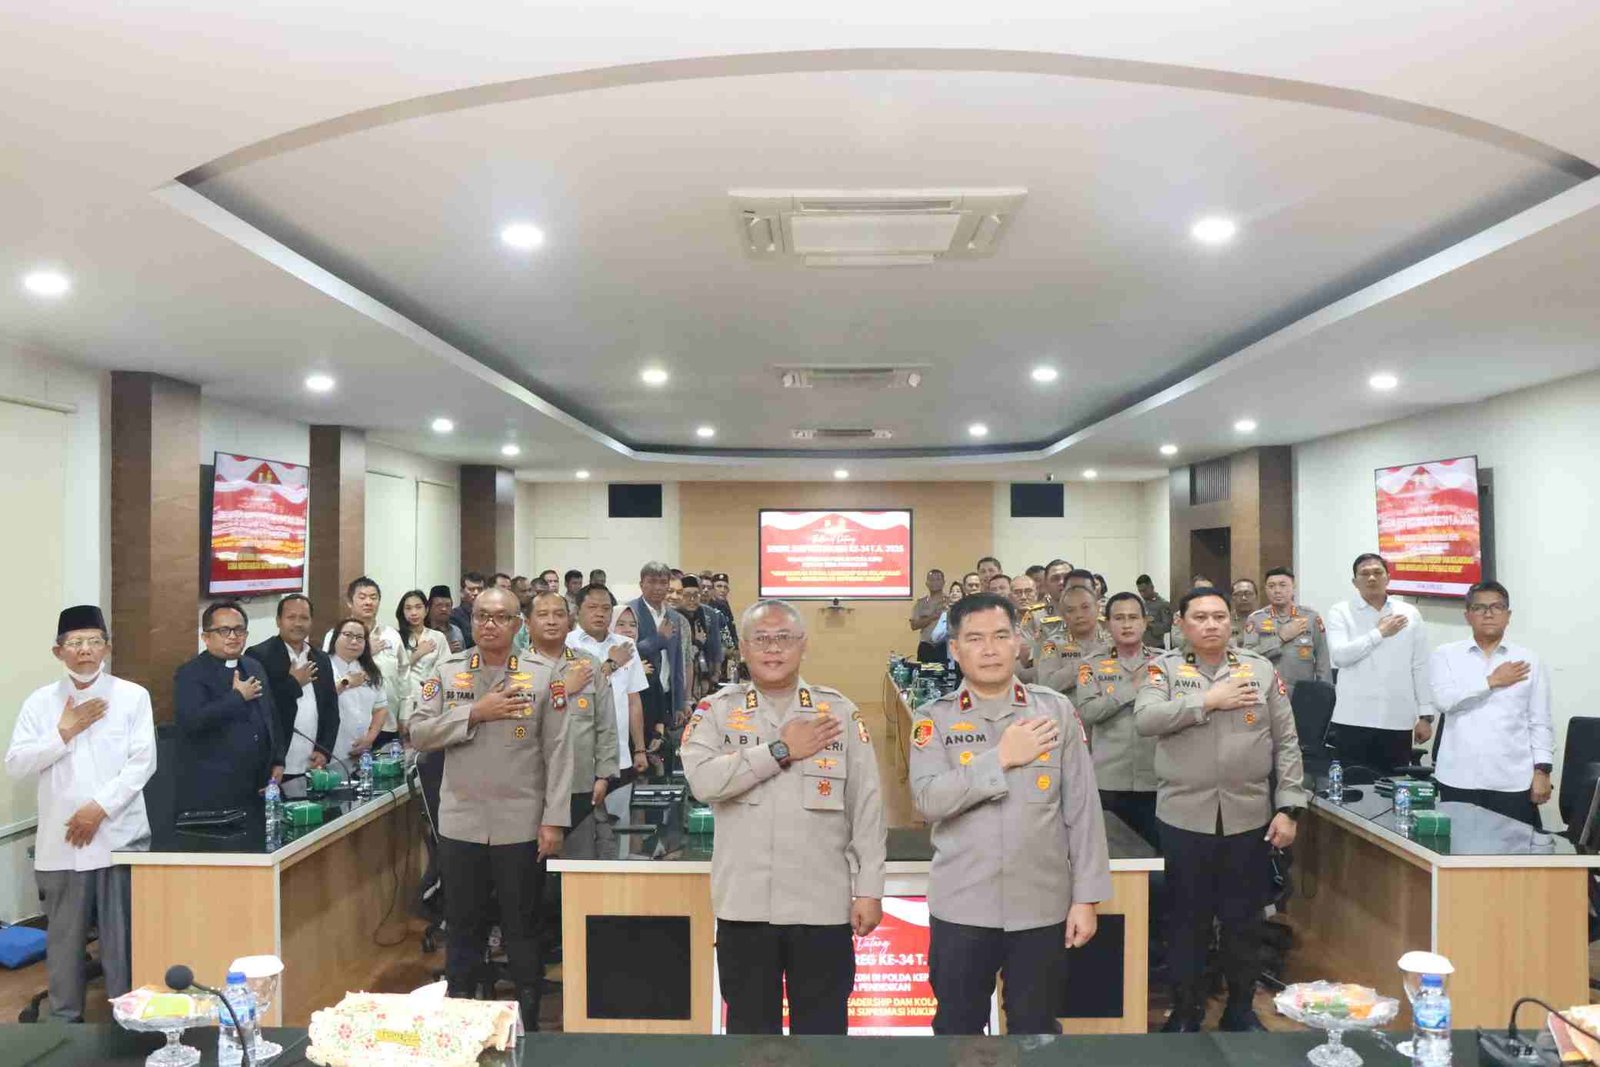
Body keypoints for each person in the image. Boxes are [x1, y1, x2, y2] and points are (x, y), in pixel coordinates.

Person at [910, 592, 1111, 1035]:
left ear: (1018, 642)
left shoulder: (1055, 711)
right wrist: (999, 758)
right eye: (975, 638)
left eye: (1001, 636)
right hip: (962, 906)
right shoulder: (933, 718)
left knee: (1036, 1029)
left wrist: (1086, 899)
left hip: (1040, 907)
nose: (990, 649)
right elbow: (928, 800)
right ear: (954, 649)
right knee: (957, 1030)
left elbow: (1082, 810)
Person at [682, 599, 885, 1034]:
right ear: (743, 648)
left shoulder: (838, 713)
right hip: (745, 908)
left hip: (822, 907)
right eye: (761, 639)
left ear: (803, 645)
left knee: (823, 1037)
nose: (773, 649)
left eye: (784, 638)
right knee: (751, 1039)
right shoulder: (716, 711)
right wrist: (780, 750)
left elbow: (866, 806)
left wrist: (869, 889)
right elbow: (703, 782)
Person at [1135, 587, 1306, 1032]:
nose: (1211, 624)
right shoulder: (1163, 669)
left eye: (1219, 616)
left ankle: (1240, 1009)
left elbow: (1287, 741)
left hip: (1249, 817)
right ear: (1182, 624)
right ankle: (1186, 1011)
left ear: (1232, 621)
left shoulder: (1260, 669)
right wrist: (1208, 701)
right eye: (1200, 617)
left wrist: (1289, 806)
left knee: (1243, 922)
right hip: (1183, 817)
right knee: (1186, 921)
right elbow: (1146, 719)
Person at [409, 587, 572, 1031]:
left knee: (522, 927)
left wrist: (554, 820)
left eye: (500, 617)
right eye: (481, 616)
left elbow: (560, 753)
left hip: (521, 823)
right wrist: (475, 713)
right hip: (461, 822)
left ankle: (529, 1021)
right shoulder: (447, 671)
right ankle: (461, 1018)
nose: (489, 625)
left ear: (518, 625)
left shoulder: (544, 676)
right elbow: (419, 732)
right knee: (463, 926)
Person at [5, 605, 155, 1021]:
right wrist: (64, 732)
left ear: (107, 647)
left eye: (93, 641)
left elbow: (143, 763)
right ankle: (65, 1025)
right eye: (74, 643)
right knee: (64, 943)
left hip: (117, 836)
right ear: (58, 651)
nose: (84, 650)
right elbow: (16, 764)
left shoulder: (132, 696)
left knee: (122, 942)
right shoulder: (40, 703)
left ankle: (128, 1023)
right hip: (62, 842)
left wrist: (98, 810)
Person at [1428, 581, 1554, 829]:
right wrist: (1491, 681)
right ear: (1467, 615)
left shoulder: (1528, 660)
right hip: (1458, 777)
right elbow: (1444, 701)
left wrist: (1542, 770)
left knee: (1513, 850)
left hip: (1512, 780)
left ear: (1508, 615)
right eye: (1479, 608)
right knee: (1461, 848)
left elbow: (1540, 721)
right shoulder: (1445, 655)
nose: (1488, 613)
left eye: (1497, 607)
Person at [1325, 553, 1434, 775]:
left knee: (1393, 786)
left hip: (1397, 718)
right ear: (1355, 582)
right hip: (1353, 718)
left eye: (1377, 572)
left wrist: (1425, 716)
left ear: (1388, 578)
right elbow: (1340, 656)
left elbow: (1420, 665)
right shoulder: (1341, 612)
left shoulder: (1409, 613)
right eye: (1364, 574)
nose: (1372, 578)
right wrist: (1379, 633)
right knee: (1354, 786)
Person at [525, 592, 616, 852]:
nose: (552, 621)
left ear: (570, 622)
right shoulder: (516, 668)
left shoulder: (589, 664)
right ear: (527, 623)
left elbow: (606, 724)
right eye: (543, 615)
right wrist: (561, 689)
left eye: (559, 614)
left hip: (580, 783)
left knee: (578, 863)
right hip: (529, 788)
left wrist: (604, 776)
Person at [174, 601, 281, 813]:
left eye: (239, 630)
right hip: (216, 790)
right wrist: (237, 697)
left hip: (259, 784)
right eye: (224, 630)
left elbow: (271, 717)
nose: (233, 636)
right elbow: (192, 722)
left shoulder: (254, 666)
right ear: (206, 637)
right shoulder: (190, 674)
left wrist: (278, 760)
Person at [1074, 592, 1162, 849]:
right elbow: (1088, 712)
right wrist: (1131, 688)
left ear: (1145, 622)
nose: (1126, 624)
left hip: (1156, 778)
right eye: (1119, 618)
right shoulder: (1091, 665)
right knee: (1114, 858)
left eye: (1133, 618)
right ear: (1107, 623)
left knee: (1159, 858)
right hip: (1109, 779)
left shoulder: (1164, 662)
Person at [569, 586, 651, 820]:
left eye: (606, 608)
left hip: (619, 753)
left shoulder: (626, 646)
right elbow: (576, 689)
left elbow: (633, 700)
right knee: (579, 828)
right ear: (578, 611)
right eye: (592, 607)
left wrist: (639, 749)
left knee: (618, 824)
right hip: (578, 755)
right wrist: (611, 665)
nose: (600, 613)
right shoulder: (566, 644)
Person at [246, 594, 338, 778]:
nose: (298, 623)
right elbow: (261, 709)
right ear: (278, 621)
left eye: (304, 618)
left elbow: (331, 710)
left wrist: (324, 750)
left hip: (313, 763)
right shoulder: (259, 656)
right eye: (291, 617)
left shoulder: (320, 658)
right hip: (276, 765)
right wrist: (294, 684)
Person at [322, 577, 403, 743]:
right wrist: (366, 651)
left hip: (388, 722)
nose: (368, 602)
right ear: (349, 602)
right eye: (362, 597)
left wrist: (406, 716)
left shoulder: (392, 635)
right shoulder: (335, 636)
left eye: (373, 597)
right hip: (344, 727)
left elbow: (404, 676)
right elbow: (326, 680)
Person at [1242, 568, 1330, 694]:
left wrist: (1325, 693)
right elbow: (1248, 658)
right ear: (1265, 589)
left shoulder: (1310, 617)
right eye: (1271, 586)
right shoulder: (1256, 619)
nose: (1277, 590)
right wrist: (1280, 638)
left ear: (1293, 587)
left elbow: (1323, 660)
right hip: (1268, 692)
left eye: (1283, 585)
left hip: (1303, 693)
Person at [631, 562, 688, 737]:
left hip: (668, 694)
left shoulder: (674, 617)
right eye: (652, 582)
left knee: (668, 747)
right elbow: (628, 652)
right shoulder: (630, 611)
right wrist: (658, 639)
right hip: (641, 696)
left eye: (663, 582)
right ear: (641, 584)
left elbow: (677, 662)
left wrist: (679, 703)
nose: (658, 587)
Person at [1019, 586, 1107, 698]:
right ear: (1062, 615)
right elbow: (1047, 684)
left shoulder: (1112, 643)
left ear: (1098, 608)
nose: (1079, 615)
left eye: (1085, 607)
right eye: (1071, 610)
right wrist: (1087, 663)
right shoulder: (1053, 645)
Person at [327, 618, 389, 763]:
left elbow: (381, 708)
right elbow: (320, 700)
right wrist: (345, 683)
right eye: (348, 635)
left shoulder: (371, 670)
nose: (354, 641)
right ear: (335, 637)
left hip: (362, 752)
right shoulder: (323, 666)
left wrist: (370, 738)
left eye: (360, 637)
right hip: (329, 752)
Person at [395, 589, 450, 738]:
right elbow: (395, 670)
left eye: (418, 607)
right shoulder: (396, 637)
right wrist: (418, 653)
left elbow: (446, 669)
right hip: (404, 700)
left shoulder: (437, 637)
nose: (413, 613)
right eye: (408, 608)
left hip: (431, 698)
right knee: (405, 742)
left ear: (426, 610)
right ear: (402, 612)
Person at [677, 576, 725, 700]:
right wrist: (697, 643)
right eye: (687, 595)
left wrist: (715, 674)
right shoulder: (674, 617)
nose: (692, 599)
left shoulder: (706, 614)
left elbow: (715, 645)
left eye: (696, 595)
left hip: (702, 673)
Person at [910, 568, 948, 664]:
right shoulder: (921, 603)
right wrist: (932, 617)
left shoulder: (949, 601)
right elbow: (914, 625)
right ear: (927, 583)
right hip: (926, 646)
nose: (934, 582)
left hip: (945, 645)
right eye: (931, 580)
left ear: (943, 582)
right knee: (924, 672)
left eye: (938, 579)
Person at [1136, 574, 1174, 649]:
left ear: (1152, 587)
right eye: (1140, 591)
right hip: (1141, 646)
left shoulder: (1163, 604)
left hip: (1156, 646)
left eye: (1144, 590)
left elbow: (1167, 627)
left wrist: (1150, 626)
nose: (1142, 594)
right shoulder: (1140, 603)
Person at [451, 571, 486, 649]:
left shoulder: (490, 614)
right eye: (471, 589)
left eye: (480, 589)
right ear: (462, 592)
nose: (476, 593)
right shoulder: (454, 616)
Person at [427, 585, 466, 654]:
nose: (444, 609)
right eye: (439, 605)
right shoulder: (423, 633)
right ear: (429, 608)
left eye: (448, 605)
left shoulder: (456, 631)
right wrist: (446, 651)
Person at [1229, 579, 1259, 644]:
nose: (1244, 598)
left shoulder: (1266, 619)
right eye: (1239, 594)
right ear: (1232, 597)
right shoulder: (1225, 620)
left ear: (1256, 596)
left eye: (1248, 594)